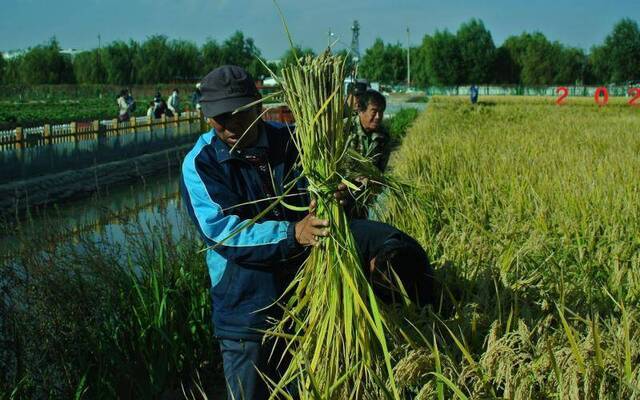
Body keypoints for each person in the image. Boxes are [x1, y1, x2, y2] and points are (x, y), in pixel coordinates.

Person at [180, 65, 433, 400]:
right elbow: (226, 233)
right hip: (246, 315)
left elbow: (326, 199)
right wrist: (292, 233)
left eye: (236, 114)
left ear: (258, 107)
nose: (227, 125)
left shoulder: (295, 141)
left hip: (306, 304)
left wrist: (340, 197)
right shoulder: (201, 164)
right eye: (217, 116)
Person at [346, 89, 390, 173]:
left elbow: (380, 171)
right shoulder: (345, 129)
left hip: (369, 184)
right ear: (361, 110)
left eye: (381, 112)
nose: (378, 116)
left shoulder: (383, 136)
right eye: (374, 111)